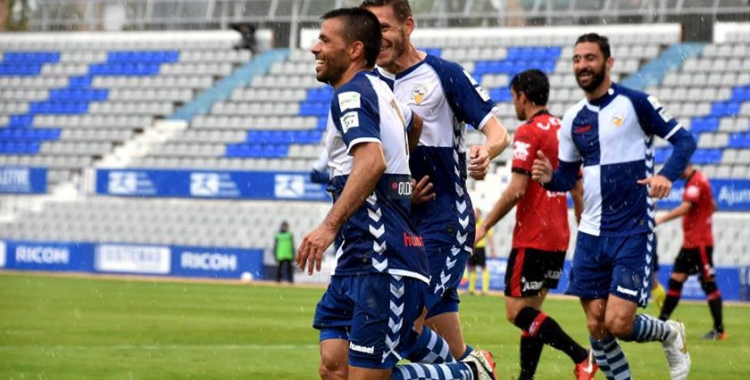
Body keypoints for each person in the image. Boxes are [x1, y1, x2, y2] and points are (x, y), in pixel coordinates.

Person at [297, 8, 495, 380]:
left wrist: (327, 228)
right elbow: (411, 125)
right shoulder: (382, 92)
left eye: (324, 40)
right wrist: (401, 192)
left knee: (372, 373)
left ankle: (467, 374)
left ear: (355, 50)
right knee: (333, 366)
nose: (314, 48)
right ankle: (467, 366)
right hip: (357, 257)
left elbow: (371, 162)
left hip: (382, 258)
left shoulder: (353, 96)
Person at [531, 33, 696, 380]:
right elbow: (567, 178)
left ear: (609, 63)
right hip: (590, 234)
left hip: (631, 230)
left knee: (618, 323)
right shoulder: (573, 118)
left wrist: (666, 175)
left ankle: (669, 332)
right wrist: (548, 178)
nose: (582, 65)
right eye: (577, 59)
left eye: (590, 58)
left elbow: (685, 140)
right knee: (597, 327)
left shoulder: (636, 103)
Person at [362, 0, 511, 365]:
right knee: (448, 356)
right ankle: (474, 370)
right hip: (403, 227)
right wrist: (399, 191)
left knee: (399, 330)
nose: (375, 39)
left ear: (408, 25)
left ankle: (472, 372)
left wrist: (485, 153)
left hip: (444, 223)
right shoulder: (370, 86)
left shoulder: (443, 73)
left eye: (383, 28)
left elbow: (498, 133)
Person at [475, 69, 594, 380]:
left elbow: (517, 189)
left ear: (522, 97)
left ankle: (582, 356)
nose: (514, 103)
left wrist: (484, 225)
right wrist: (581, 228)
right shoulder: (563, 129)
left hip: (533, 234)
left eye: (514, 97)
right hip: (559, 235)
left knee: (516, 312)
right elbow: (578, 187)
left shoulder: (530, 131)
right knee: (532, 312)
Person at [656, 164, 726, 340]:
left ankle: (719, 330)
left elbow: (687, 207)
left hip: (699, 243)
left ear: (686, 165)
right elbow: (713, 205)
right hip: (690, 243)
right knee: (676, 280)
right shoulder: (700, 180)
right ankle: (660, 324)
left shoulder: (695, 182)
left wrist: (662, 218)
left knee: (708, 282)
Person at [468, 208, 495, 296]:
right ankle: (471, 290)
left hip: (480, 248)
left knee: (483, 267)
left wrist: (492, 249)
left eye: (476, 214)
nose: (475, 215)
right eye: (474, 213)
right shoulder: (470, 223)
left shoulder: (484, 223)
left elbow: (490, 236)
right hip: (472, 247)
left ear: (479, 214)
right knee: (472, 268)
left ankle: (485, 290)